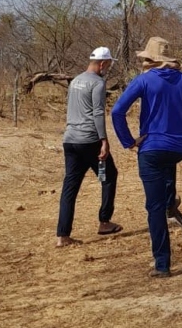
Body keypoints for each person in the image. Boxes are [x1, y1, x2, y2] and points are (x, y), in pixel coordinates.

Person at [111, 37, 182, 278]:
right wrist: (181, 132)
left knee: (154, 207)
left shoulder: (143, 80)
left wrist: (129, 142)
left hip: (152, 147)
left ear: (150, 60)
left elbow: (117, 111)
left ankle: (162, 262)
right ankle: (171, 200)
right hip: (180, 147)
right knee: (167, 165)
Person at [56, 46, 122, 247]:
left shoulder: (75, 81)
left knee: (70, 187)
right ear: (102, 63)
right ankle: (104, 221)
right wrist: (104, 140)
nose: (107, 68)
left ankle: (62, 235)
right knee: (108, 175)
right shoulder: (98, 83)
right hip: (89, 140)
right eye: (108, 64)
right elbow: (97, 113)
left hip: (70, 140)